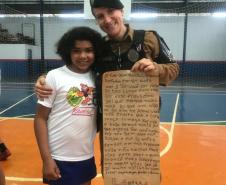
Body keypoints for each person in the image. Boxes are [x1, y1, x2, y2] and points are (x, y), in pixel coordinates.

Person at [35, 0, 179, 180]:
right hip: (111, 129)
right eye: (100, 16)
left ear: (122, 11)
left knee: (145, 176)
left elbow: (173, 69)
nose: (108, 20)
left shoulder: (149, 38)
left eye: (111, 12)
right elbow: (75, 70)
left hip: (142, 127)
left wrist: (156, 68)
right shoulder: (98, 48)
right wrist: (44, 79)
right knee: (113, 177)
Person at [34, 26, 103, 185]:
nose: (83, 56)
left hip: (86, 156)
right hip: (59, 158)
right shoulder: (54, 76)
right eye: (76, 51)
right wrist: (46, 159)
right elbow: (40, 119)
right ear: (67, 52)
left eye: (89, 50)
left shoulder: (98, 78)